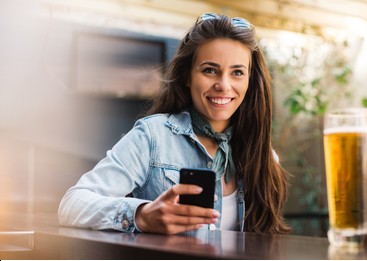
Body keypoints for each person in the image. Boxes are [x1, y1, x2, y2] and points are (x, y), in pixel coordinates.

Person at [58, 13, 290, 235]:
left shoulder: (265, 156)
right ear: (188, 76)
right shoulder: (152, 136)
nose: (224, 85)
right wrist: (142, 215)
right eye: (210, 70)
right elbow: (72, 204)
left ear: (250, 82)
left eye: (237, 72)